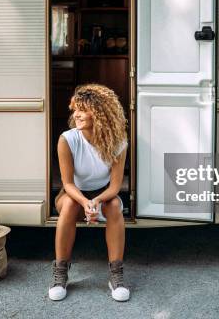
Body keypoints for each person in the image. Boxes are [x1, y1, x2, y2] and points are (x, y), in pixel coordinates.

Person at [49, 84, 129, 302]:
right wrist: (85, 202)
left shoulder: (119, 142)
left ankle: (116, 275)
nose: (76, 115)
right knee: (70, 204)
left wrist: (96, 201)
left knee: (113, 206)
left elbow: (114, 187)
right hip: (74, 195)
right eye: (75, 109)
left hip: (103, 195)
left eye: (82, 110)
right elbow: (67, 183)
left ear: (101, 113)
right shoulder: (68, 139)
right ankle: (60, 273)